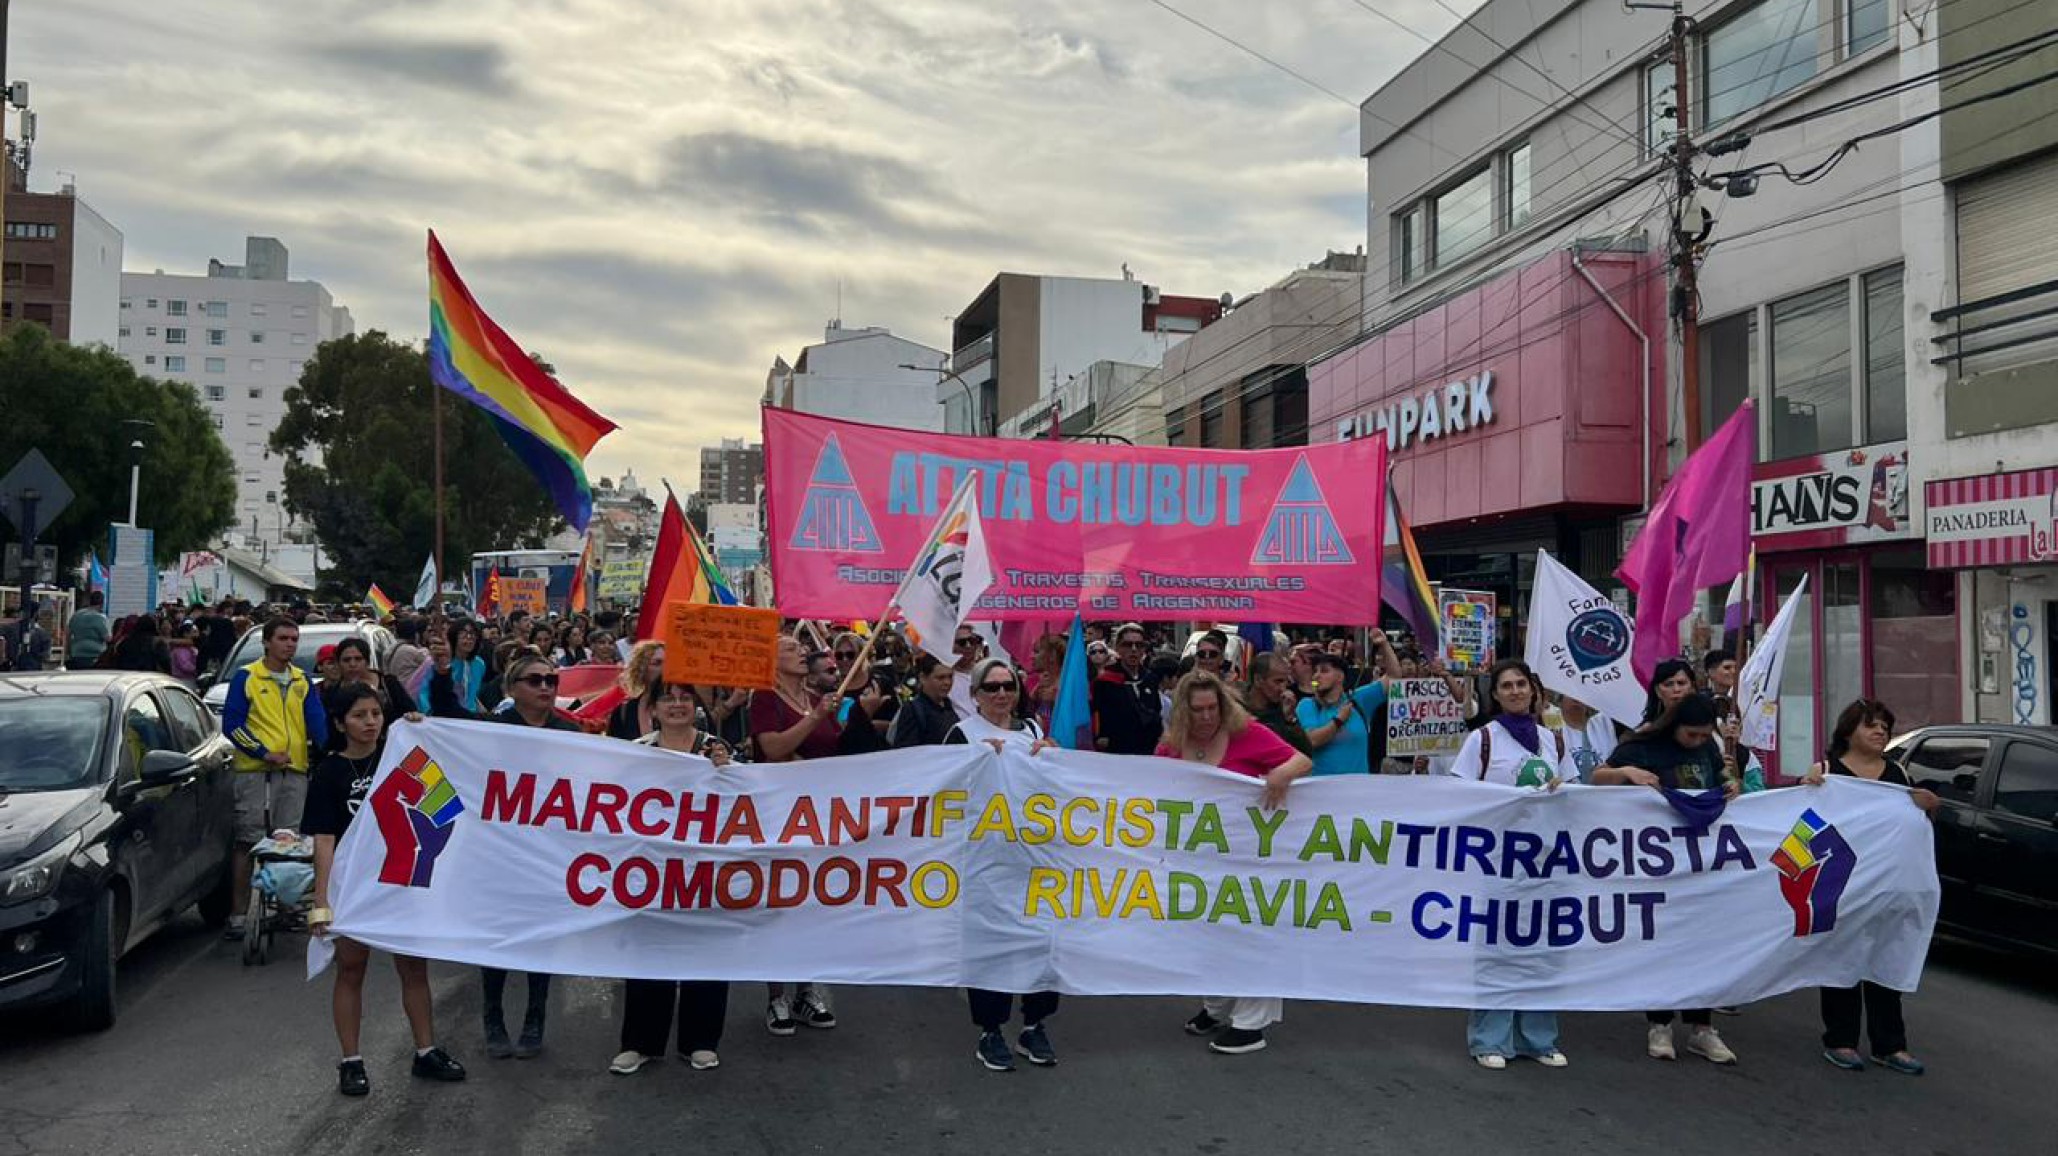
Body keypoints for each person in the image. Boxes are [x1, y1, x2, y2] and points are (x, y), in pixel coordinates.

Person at [304, 683, 465, 1096]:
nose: (370, 722)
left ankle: (426, 1050)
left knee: (413, 968)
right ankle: (351, 1061)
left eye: (376, 714)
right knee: (351, 969)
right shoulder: (329, 772)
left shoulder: (401, 753)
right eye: (359, 715)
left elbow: (447, 804)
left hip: (401, 880)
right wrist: (321, 900)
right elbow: (324, 840)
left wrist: (423, 731)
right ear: (340, 723)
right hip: (353, 886)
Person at [428, 649, 574, 1059]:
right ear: (512, 688)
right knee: (498, 937)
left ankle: (535, 1017)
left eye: (551, 680)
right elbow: (449, 715)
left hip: (547, 854)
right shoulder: (495, 729)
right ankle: (492, 1015)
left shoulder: (569, 732)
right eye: (535, 680)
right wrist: (442, 673)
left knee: (541, 939)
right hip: (499, 853)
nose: (545, 687)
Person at [1156, 671, 1311, 1055]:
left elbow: (1301, 760)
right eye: (1198, 710)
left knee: (1253, 932)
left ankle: (1251, 1023)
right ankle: (1216, 1005)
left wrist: (1281, 773)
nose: (1207, 716)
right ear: (1183, 712)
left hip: (1249, 857)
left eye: (1213, 708)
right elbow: (1151, 788)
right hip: (1200, 860)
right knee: (1210, 934)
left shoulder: (1248, 734)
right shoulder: (1171, 747)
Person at [1591, 694, 1741, 1065]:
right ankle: (1660, 1024)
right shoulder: (1642, 746)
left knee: (1702, 946)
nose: (1698, 741)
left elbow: (1721, 777)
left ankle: (1702, 1027)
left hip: (1700, 865)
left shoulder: (1707, 749)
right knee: (1661, 944)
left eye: (1704, 735)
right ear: (1674, 726)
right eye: (1691, 734)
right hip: (1656, 867)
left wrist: (1731, 784)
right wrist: (1627, 773)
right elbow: (1597, 777)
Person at [1442, 660, 1574, 1070]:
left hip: (1545, 863)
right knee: (1497, 952)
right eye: (1506, 686)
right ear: (1495, 695)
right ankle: (1490, 1039)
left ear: (1533, 690)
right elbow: (1460, 796)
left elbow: (1574, 795)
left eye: (1521, 684)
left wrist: (1561, 791)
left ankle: (1539, 1038)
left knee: (1542, 951)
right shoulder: (1483, 740)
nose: (1515, 691)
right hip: (1497, 862)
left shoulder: (1553, 741)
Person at [1802, 699, 1938, 1075]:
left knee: (1885, 960)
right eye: (1871, 725)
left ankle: (1890, 1044)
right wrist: (1805, 786)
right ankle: (1840, 1039)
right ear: (1849, 732)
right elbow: (1804, 823)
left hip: (1889, 886)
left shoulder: (1897, 774)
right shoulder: (1827, 772)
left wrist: (1928, 805)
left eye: (1884, 726)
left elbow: (1913, 826)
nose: (1880, 732)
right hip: (1842, 885)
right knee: (1840, 959)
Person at [942, 658, 1062, 1071]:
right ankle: (990, 1030)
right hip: (985, 862)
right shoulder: (962, 734)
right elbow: (942, 791)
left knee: (1041, 942)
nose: (1001, 694)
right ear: (975, 695)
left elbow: (1051, 788)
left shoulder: (1032, 731)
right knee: (990, 946)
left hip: (1033, 859)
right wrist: (973, 764)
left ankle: (1034, 1024)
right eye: (991, 687)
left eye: (1008, 685)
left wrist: (1054, 759)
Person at [609, 681, 733, 1075]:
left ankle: (700, 1041)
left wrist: (729, 772)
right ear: (653, 707)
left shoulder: (719, 750)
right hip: (652, 871)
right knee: (649, 955)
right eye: (667, 698)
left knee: (706, 955)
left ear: (696, 705)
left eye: (685, 698)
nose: (677, 705)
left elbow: (746, 804)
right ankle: (640, 1043)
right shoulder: (637, 751)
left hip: (706, 871)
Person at [747, 634, 841, 1034]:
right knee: (781, 903)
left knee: (813, 902)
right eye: (790, 649)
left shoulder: (816, 697)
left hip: (819, 815)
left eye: (802, 648)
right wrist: (815, 718)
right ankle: (777, 996)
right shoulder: (765, 699)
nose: (802, 652)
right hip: (779, 815)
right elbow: (772, 748)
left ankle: (807, 990)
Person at [220, 617, 327, 941]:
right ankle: (239, 914)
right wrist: (263, 752)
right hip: (254, 773)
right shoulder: (247, 677)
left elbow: (317, 722)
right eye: (283, 638)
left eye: (294, 639)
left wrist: (328, 751)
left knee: (289, 843)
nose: (290, 644)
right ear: (267, 642)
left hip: (294, 771)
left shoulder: (301, 680)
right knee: (248, 841)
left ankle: (285, 908)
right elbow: (232, 725)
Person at [1295, 642, 1395, 777]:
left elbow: (1394, 676)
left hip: (1358, 786)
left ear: (1340, 677)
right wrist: (1339, 720)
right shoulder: (1308, 705)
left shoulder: (1358, 700)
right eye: (1315, 672)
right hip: (1322, 787)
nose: (1317, 676)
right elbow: (1312, 740)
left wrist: (1383, 643)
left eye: (1324, 671)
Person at [1092, 622, 1163, 755]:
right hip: (1116, 751)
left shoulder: (1150, 679)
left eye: (1139, 645)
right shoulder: (1104, 681)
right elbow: (1096, 716)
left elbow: (1157, 710)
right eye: (1127, 645)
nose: (1134, 649)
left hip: (1147, 750)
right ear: (1118, 648)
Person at [1243, 652, 1313, 756]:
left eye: (1286, 682)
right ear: (1258, 680)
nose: (1283, 688)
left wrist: (1290, 720)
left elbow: (1305, 752)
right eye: (1278, 681)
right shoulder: (1236, 707)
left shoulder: (1283, 709)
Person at [889, 653, 960, 748]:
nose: (947, 682)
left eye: (950, 677)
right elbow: (906, 750)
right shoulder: (914, 710)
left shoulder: (949, 704)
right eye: (940, 678)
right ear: (923, 678)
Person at [606, 640, 667, 740]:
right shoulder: (624, 712)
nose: (665, 669)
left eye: (670, 664)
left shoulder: (686, 708)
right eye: (657, 663)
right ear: (641, 669)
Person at [1556, 692, 1619, 781]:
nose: (1576, 699)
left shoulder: (1604, 723)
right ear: (1560, 700)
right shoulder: (1552, 729)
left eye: (1580, 693)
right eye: (1570, 693)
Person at [447, 620, 488, 713]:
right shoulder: (444, 662)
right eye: (464, 635)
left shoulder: (479, 664)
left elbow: (472, 694)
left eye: (473, 635)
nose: (469, 639)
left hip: (470, 717)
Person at [67, 591, 111, 669]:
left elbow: (68, 634)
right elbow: (107, 638)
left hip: (77, 653)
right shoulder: (100, 618)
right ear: (102, 604)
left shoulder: (76, 615)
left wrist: (69, 651)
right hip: (95, 655)